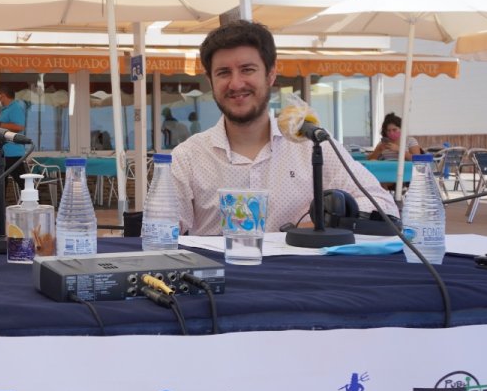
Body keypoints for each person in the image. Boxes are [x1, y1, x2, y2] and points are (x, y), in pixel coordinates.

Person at [170, 20, 397, 235]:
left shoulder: (311, 145)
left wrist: (320, 222)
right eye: (223, 73)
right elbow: (158, 231)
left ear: (270, 75)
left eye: (247, 69)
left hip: (300, 275)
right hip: (220, 276)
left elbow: (384, 207)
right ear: (210, 81)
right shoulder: (188, 157)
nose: (236, 83)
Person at [0, 85, 28, 213]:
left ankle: (32, 204)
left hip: (13, 153)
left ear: (2, 95)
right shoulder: (6, 109)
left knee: (22, 181)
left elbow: (19, 127)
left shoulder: (15, 108)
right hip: (4, 152)